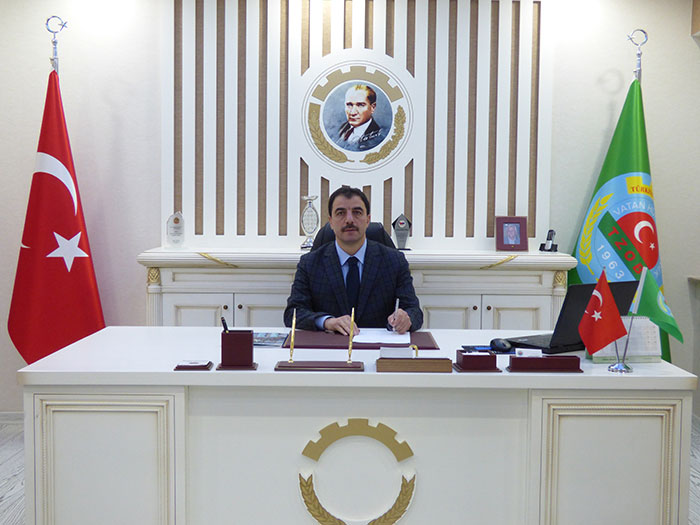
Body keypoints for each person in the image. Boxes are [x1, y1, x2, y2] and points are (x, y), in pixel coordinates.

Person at [284, 187, 423, 335]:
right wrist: (327, 322)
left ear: (368, 220)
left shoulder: (394, 261)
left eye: (357, 212)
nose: (349, 219)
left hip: (378, 346)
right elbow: (293, 313)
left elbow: (414, 311)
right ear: (331, 222)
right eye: (340, 213)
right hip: (329, 345)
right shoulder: (310, 263)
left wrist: (406, 318)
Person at [333, 85, 386, 152]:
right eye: (349, 105)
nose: (353, 112)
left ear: (372, 107)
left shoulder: (379, 137)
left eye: (360, 105)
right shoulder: (341, 129)